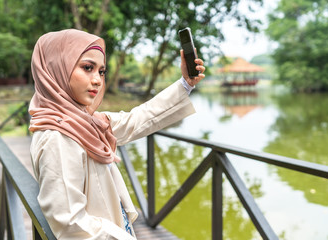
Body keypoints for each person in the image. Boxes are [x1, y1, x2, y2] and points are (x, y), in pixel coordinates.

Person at [29, 29, 205, 240]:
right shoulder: (58, 137)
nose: (97, 80)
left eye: (101, 71)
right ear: (56, 68)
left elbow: (138, 118)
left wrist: (185, 83)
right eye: (87, 68)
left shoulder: (87, 123)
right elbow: (70, 223)